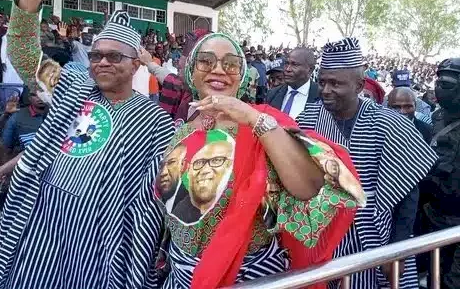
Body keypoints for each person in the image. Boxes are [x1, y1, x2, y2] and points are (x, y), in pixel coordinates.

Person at [0, 0, 174, 288]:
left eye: (114, 57)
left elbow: (156, 196)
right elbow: (25, 55)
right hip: (41, 223)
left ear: (136, 66)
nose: (102, 62)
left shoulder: (154, 121)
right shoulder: (73, 87)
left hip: (101, 242)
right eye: (96, 55)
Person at [155, 32, 367, 289]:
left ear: (242, 74)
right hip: (181, 276)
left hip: (249, 277)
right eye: (206, 61)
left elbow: (307, 189)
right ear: (191, 71)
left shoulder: (263, 123)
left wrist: (253, 119)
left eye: (231, 64)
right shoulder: (183, 129)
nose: (218, 70)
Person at [296, 37, 437, 289]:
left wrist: (398, 248)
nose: (326, 90)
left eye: (336, 83)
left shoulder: (390, 122)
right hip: (325, 232)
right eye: (322, 82)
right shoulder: (308, 119)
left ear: (359, 85)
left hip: (381, 231)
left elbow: (408, 191)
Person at [420, 58, 460, 289]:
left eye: (447, 84)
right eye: (438, 82)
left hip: (457, 221)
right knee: (435, 277)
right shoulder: (437, 118)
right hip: (434, 215)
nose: (438, 89)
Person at [267, 48, 319, 119]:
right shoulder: (272, 94)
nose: (288, 69)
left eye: (294, 64)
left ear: (310, 70)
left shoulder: (321, 96)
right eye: (287, 63)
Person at [1, 89, 47, 155]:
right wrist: (6, 114)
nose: (40, 97)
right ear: (29, 98)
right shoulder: (17, 117)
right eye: (35, 95)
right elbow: (5, 146)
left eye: (42, 93)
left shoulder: (58, 113)